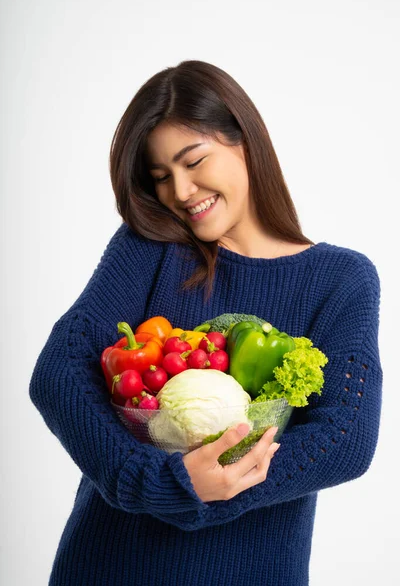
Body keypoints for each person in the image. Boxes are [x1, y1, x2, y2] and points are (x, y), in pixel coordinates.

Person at [29, 60, 383, 586]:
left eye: (194, 161)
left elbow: (346, 437)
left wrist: (211, 489)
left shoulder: (342, 278)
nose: (182, 190)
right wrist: (155, 482)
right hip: (109, 565)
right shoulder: (151, 247)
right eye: (161, 178)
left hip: (253, 571)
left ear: (244, 138)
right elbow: (60, 369)